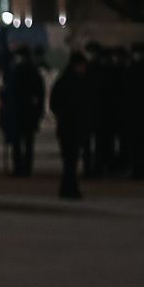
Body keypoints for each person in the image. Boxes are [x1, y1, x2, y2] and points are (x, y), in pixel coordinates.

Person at [50, 50, 97, 201]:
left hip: (71, 127)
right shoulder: (71, 82)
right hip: (70, 127)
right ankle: (69, 188)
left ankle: (68, 187)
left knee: (71, 160)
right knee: (70, 161)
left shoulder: (71, 81)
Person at [1, 46, 46, 176]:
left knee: (27, 143)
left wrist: (38, 112)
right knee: (18, 143)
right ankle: (19, 167)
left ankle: (25, 168)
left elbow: (39, 95)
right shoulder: (14, 73)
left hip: (27, 113)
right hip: (17, 113)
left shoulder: (32, 74)